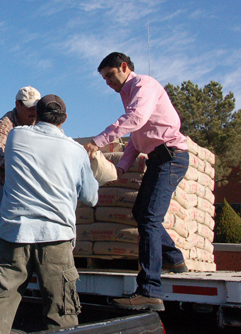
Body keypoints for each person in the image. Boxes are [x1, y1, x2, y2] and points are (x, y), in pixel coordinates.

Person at [0, 95, 99, 334]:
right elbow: (91, 198)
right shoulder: (75, 151)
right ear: (65, 119)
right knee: (61, 310)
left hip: (13, 234)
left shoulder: (16, 136)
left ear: (36, 115)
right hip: (56, 236)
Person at [84, 52, 189, 312]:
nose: (108, 82)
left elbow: (135, 121)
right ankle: (174, 259)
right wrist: (120, 168)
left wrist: (98, 141)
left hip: (171, 157)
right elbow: (137, 137)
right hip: (159, 159)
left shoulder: (144, 85)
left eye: (110, 75)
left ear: (124, 67)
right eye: (104, 79)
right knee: (140, 212)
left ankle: (150, 291)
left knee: (150, 219)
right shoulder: (129, 95)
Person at [0, 86, 41, 251]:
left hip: (15, 179)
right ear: (18, 105)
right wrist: (18, 162)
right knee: (2, 215)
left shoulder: (39, 122)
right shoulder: (5, 123)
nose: (33, 111)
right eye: (29, 107)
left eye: (36, 106)